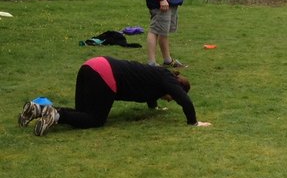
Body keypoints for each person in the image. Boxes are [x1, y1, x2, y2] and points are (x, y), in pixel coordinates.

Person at [18, 56, 211, 136]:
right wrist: (194, 122)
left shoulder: (159, 77)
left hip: (90, 65)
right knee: (95, 120)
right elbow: (184, 100)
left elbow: (150, 94)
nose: (170, 99)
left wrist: (155, 108)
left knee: (82, 114)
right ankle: (56, 115)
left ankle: (39, 110)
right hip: (105, 75)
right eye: (172, 98)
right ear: (176, 88)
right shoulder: (168, 80)